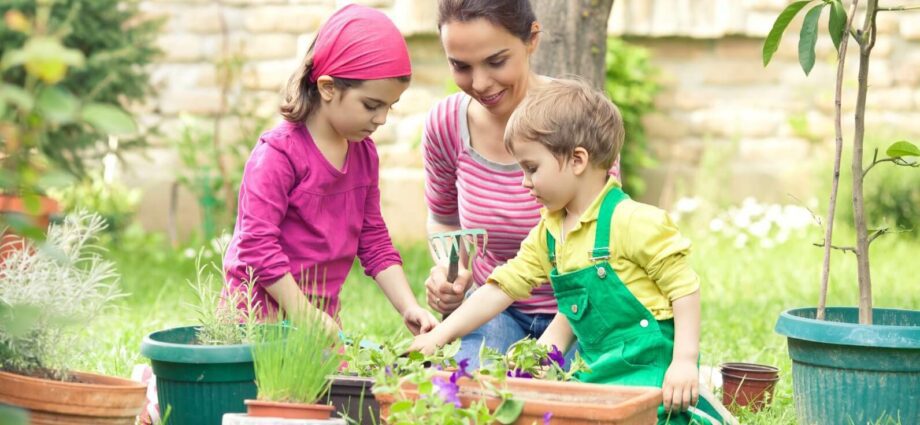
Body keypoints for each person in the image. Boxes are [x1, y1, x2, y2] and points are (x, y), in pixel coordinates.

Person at [412, 79, 728, 424]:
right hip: (599, 371)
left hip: (652, 370)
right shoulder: (550, 231)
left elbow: (684, 289)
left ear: (577, 159)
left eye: (531, 168)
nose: (523, 181)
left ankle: (704, 395)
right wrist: (443, 338)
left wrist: (684, 361)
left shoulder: (634, 221)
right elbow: (507, 291)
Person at [423, 0, 620, 369]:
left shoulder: (577, 119)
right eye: (460, 66)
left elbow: (604, 248)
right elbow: (444, 218)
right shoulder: (446, 124)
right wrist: (452, 273)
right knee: (470, 386)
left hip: (578, 312)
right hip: (494, 308)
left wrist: (552, 345)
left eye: (496, 61)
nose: (479, 83)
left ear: (532, 39)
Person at [223, 4, 438, 336]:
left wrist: (409, 306)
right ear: (327, 88)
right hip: (255, 320)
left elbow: (373, 238)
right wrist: (303, 313)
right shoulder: (277, 155)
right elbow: (256, 247)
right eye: (371, 105)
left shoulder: (363, 153)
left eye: (389, 107)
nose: (381, 119)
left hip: (317, 322)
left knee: (338, 389)